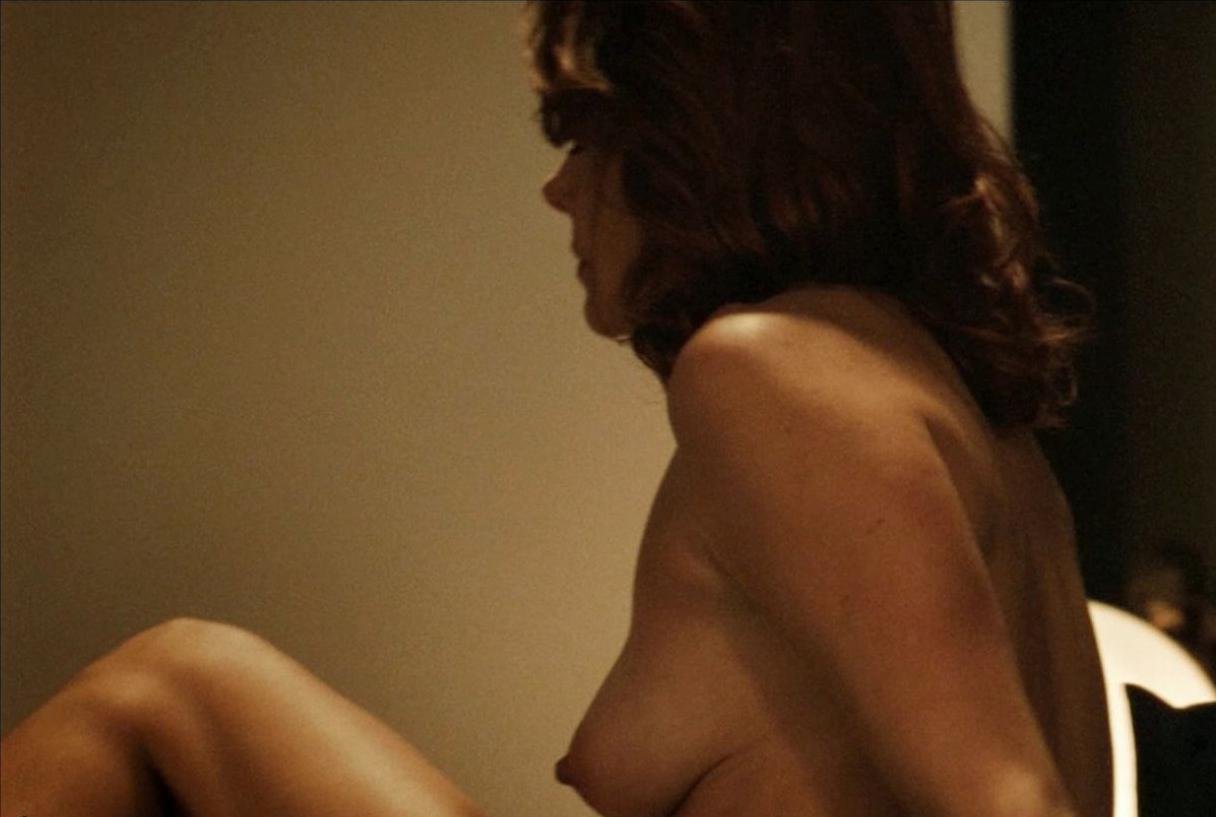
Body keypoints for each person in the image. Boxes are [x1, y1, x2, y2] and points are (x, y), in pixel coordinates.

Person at [0, 2, 1113, 817]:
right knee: (181, 680)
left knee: (170, 680)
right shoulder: (963, 408)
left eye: (584, 135)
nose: (559, 188)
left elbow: (1009, 801)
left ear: (692, 135)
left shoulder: (769, 373)